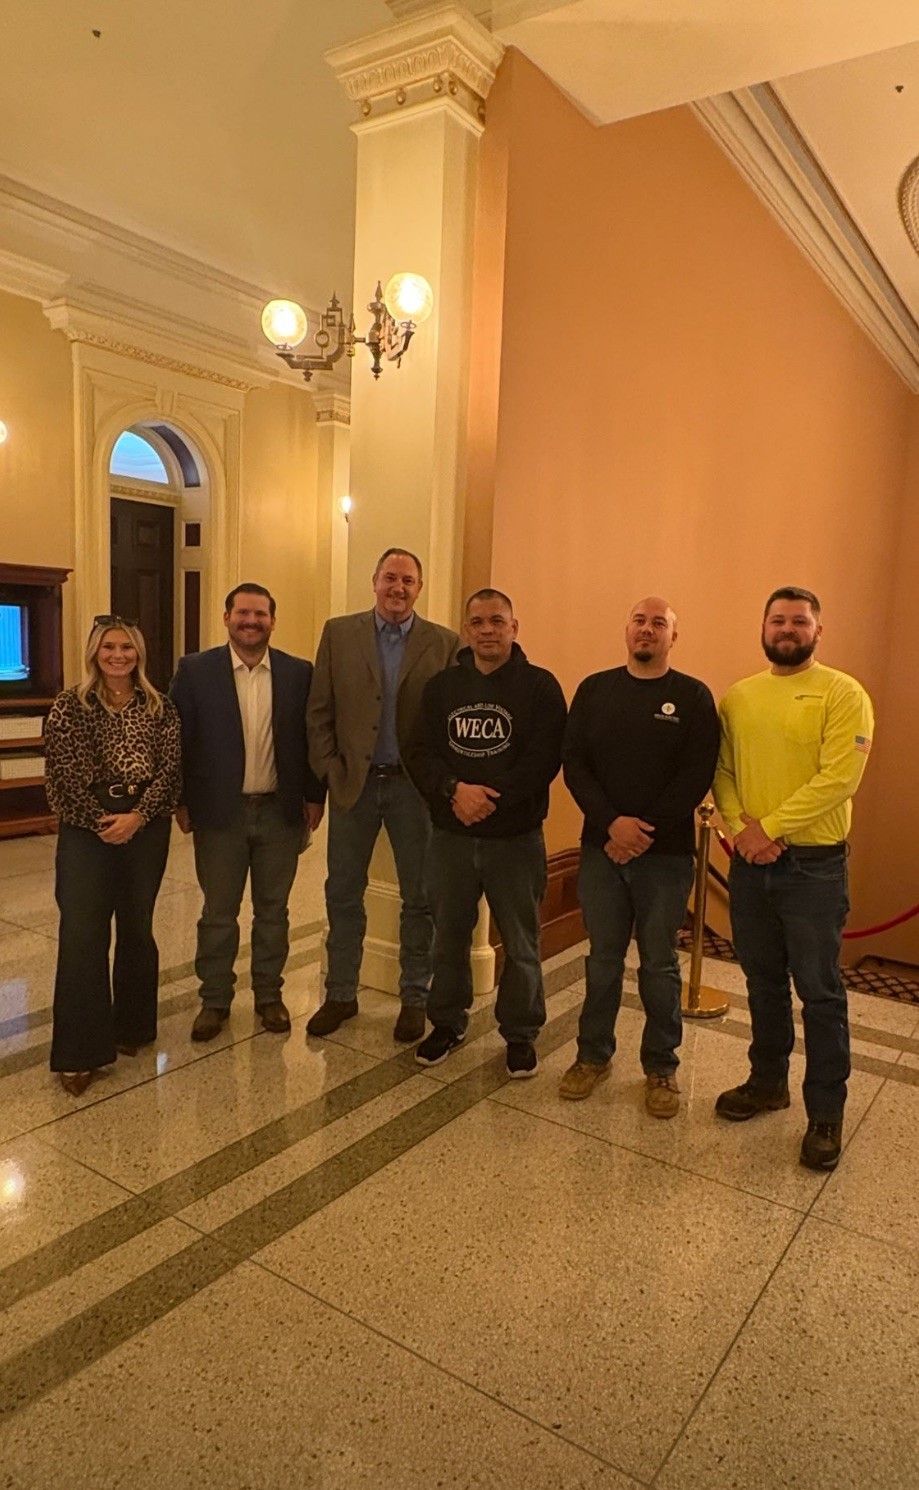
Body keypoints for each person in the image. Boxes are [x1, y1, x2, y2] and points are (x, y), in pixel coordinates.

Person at [713, 586, 874, 1171]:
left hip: (813, 869)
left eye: (799, 621)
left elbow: (840, 778)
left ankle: (825, 1114)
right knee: (761, 981)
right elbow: (722, 771)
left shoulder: (843, 693)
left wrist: (770, 828)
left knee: (820, 992)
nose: (787, 628)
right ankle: (767, 1082)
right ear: (763, 626)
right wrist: (741, 830)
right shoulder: (739, 696)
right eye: (777, 619)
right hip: (750, 864)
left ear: (817, 631)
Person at [560, 597, 719, 1116]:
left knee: (659, 963)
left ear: (674, 636)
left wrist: (640, 831)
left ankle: (661, 1068)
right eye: (639, 621)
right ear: (626, 630)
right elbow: (575, 764)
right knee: (603, 960)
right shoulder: (594, 689)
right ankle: (592, 1056)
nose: (647, 629)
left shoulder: (693, 697)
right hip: (601, 849)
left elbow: (696, 775)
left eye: (659, 623)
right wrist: (613, 825)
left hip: (665, 855)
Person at [404, 588, 567, 1077]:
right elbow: (419, 752)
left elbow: (544, 758)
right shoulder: (442, 688)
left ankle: (520, 1034)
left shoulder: (540, 687)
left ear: (514, 627)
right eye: (477, 622)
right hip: (450, 838)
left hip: (516, 839)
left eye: (497, 621)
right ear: (466, 630)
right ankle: (447, 1023)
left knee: (521, 942)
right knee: (448, 938)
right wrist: (454, 790)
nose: (488, 630)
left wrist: (489, 799)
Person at [306, 548, 459, 1043]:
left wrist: (442, 782)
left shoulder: (445, 643)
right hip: (355, 784)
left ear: (419, 588)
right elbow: (319, 709)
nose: (398, 588)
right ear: (374, 581)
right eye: (390, 577)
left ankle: (415, 996)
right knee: (342, 892)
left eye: (408, 580)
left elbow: (452, 722)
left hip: (415, 790)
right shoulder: (338, 634)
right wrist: (330, 769)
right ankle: (340, 993)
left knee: (420, 897)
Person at [170, 583, 325, 1041]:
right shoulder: (195, 671)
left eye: (260, 614)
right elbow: (178, 739)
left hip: (280, 812)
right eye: (243, 613)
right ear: (227, 618)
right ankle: (215, 1000)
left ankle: (269, 995)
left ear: (273, 620)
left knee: (273, 911)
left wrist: (315, 796)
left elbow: (312, 738)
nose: (251, 621)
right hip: (220, 815)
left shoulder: (298, 673)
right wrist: (181, 800)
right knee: (218, 913)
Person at [45, 616, 181, 1095]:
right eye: (109, 647)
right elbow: (64, 774)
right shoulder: (70, 706)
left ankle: (133, 1026)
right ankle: (79, 1053)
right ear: (94, 653)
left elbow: (170, 769)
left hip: (146, 825)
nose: (118, 655)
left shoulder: (159, 706)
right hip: (88, 830)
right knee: (82, 933)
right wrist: (106, 822)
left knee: (137, 926)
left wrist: (137, 817)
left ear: (138, 653)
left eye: (127, 647)